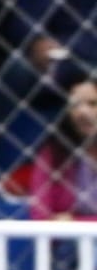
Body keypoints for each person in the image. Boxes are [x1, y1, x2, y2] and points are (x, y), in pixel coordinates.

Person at [28, 72, 97, 222]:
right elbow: (40, 216)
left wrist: (76, 222)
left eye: (93, 103)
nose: (82, 112)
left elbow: (64, 222)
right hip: (67, 237)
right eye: (75, 105)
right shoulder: (52, 153)